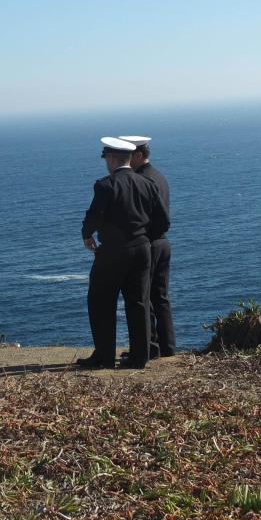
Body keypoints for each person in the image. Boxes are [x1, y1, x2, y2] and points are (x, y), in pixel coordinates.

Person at [78, 137, 169, 369]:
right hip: (142, 250)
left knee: (100, 301)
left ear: (111, 159)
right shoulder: (146, 183)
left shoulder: (105, 185)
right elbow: (163, 221)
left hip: (113, 252)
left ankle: (104, 356)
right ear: (130, 159)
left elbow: (94, 215)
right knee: (138, 302)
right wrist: (144, 239)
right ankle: (140, 357)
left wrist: (87, 235)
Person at [121, 135, 176, 358]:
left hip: (150, 243)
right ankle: (168, 347)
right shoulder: (159, 176)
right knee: (160, 297)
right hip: (163, 242)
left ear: (139, 155)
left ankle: (151, 348)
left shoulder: (142, 180)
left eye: (129, 155)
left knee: (144, 298)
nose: (126, 160)